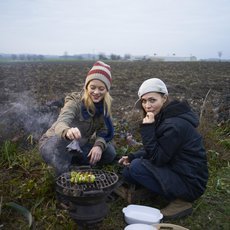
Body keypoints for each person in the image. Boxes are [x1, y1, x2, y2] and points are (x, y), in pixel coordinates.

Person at [119, 78, 208, 219]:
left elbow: (158, 158)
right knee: (128, 171)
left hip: (190, 182)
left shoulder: (174, 125)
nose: (147, 105)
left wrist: (148, 128)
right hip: (176, 170)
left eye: (152, 100)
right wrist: (132, 156)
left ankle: (182, 202)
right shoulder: (164, 117)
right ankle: (158, 190)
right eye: (144, 101)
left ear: (164, 98)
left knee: (136, 167)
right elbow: (160, 148)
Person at [39, 61, 116, 176]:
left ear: (106, 90)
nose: (96, 92)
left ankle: (74, 164)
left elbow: (104, 131)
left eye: (101, 88)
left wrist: (98, 146)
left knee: (109, 153)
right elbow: (61, 122)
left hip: (78, 145)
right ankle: (64, 171)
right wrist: (67, 131)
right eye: (93, 87)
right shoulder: (74, 102)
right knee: (60, 146)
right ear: (86, 87)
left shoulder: (104, 107)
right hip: (53, 143)